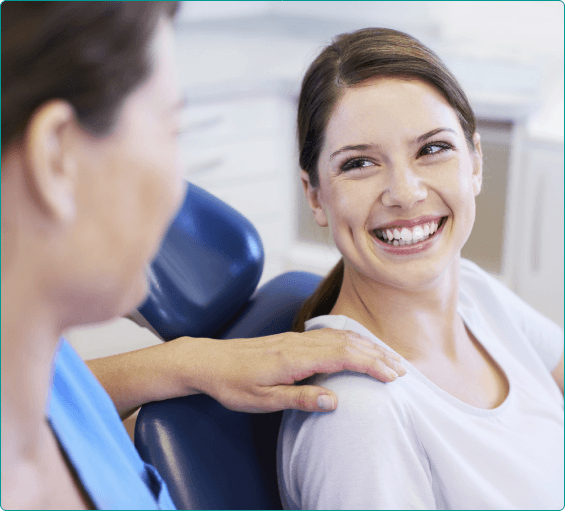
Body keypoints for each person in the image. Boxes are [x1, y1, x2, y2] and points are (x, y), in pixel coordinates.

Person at [1, 4, 408, 510]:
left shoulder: (41, 364)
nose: (180, 192)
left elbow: (66, 398)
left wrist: (187, 362)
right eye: (172, 132)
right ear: (56, 158)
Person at [278, 27, 564, 510]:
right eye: (360, 163)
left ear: (474, 162)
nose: (405, 192)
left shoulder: (475, 292)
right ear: (315, 195)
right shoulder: (358, 418)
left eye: (432, 149)